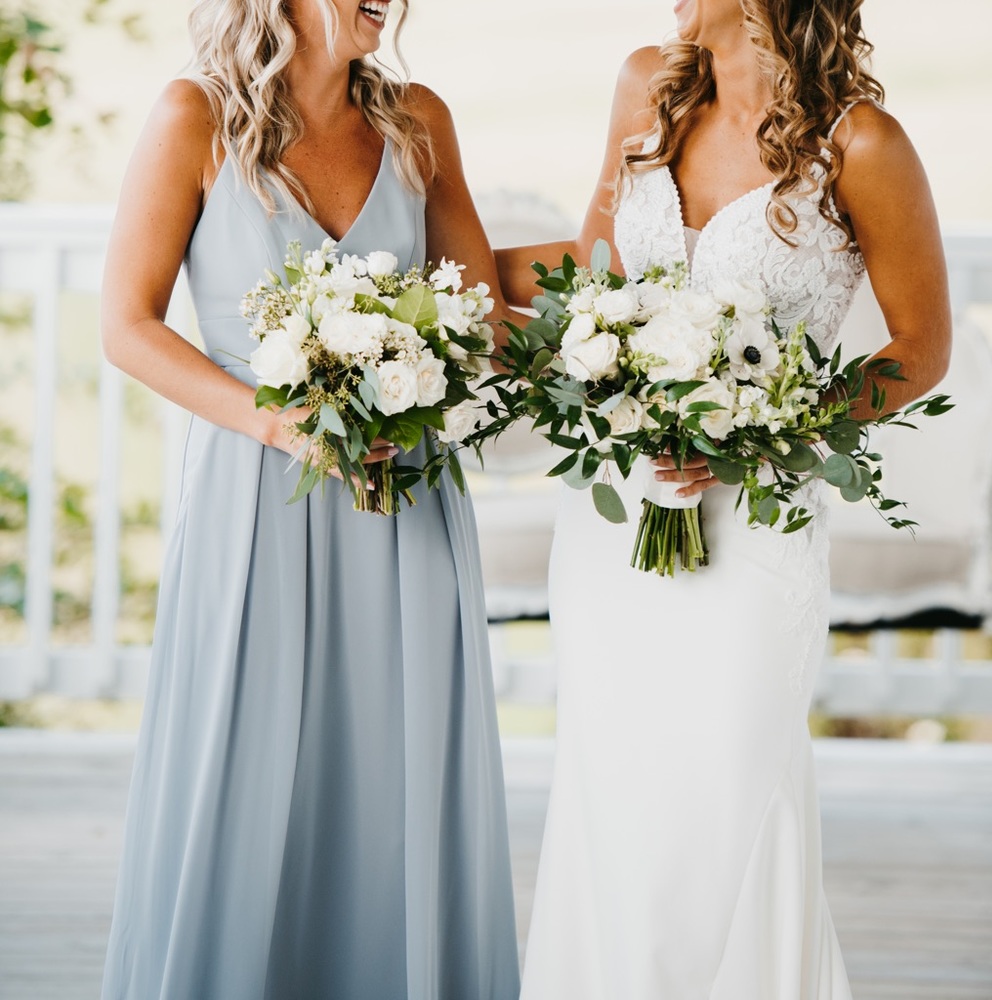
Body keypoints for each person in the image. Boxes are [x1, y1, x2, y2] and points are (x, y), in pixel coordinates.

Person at [495, 1, 950, 997]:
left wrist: (766, 433)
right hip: (618, 515)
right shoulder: (647, 84)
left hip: (756, 524)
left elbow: (916, 348)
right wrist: (454, 283)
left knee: (725, 796)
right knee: (613, 794)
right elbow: (597, 263)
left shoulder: (858, 142)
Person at [99, 1, 521, 997]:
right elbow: (127, 325)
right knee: (242, 771)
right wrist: (278, 421)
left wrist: (615, 265)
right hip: (260, 502)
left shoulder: (419, 123)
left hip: (404, 496)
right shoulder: (193, 117)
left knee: (397, 776)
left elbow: (479, 320)